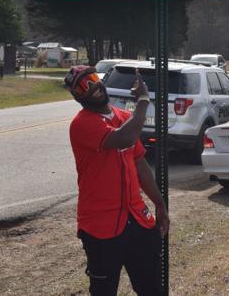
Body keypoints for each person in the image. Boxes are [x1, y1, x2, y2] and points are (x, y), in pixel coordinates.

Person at [64, 65, 170, 295]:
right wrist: (143, 100)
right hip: (100, 226)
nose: (92, 86)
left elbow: (140, 164)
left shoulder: (122, 117)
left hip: (137, 218)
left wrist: (159, 204)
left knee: (152, 288)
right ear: (77, 96)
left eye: (92, 78)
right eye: (83, 85)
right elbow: (125, 138)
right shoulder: (82, 124)